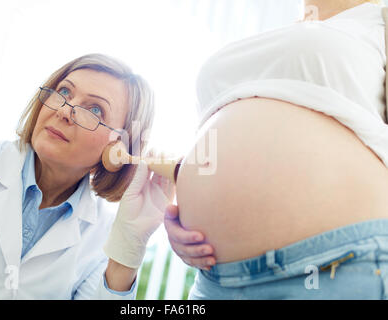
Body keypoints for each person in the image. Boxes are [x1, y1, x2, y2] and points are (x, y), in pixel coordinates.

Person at [164, 0, 388, 299]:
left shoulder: (379, 20)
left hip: (339, 264)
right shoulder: (279, 32)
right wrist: (186, 214)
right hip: (216, 279)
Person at [0, 53, 175, 299]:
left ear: (120, 147)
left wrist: (129, 245)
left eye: (94, 110)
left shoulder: (106, 238)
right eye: (64, 92)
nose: (63, 111)